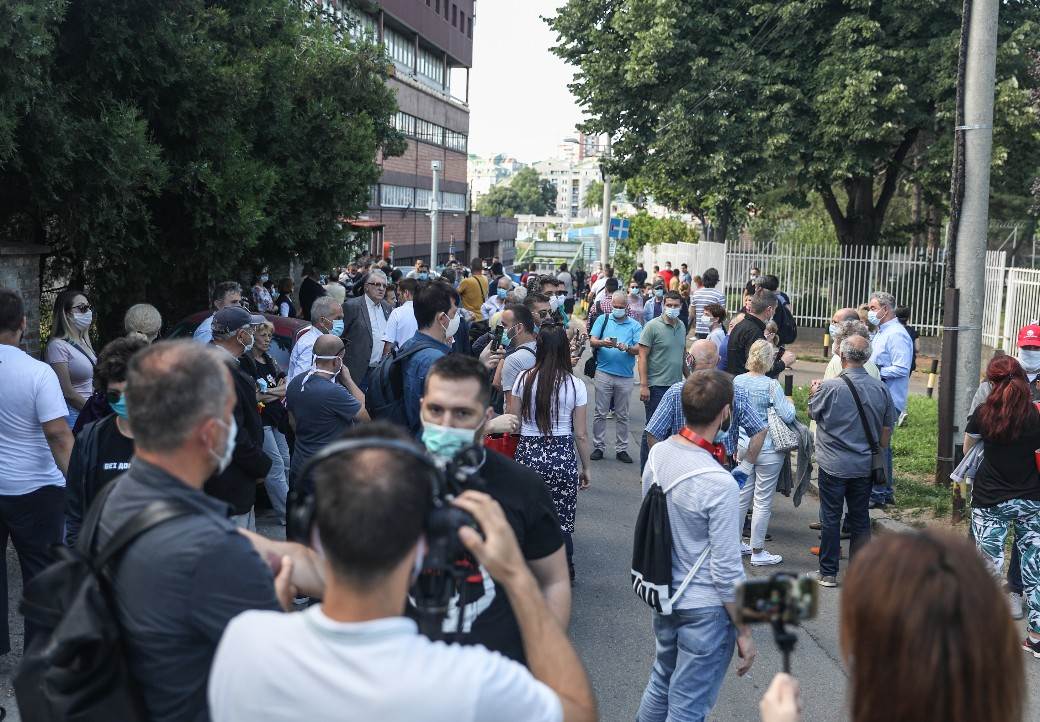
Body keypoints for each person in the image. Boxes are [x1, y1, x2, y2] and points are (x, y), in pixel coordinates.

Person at [208, 422, 596, 722]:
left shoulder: (245, 642)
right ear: (427, 545)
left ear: (312, 531)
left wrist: (277, 625)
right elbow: (578, 712)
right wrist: (518, 578)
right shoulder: (472, 683)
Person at [93, 341, 322, 722]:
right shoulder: (207, 548)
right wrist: (279, 614)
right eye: (231, 415)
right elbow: (280, 677)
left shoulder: (129, 493)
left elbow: (254, 546)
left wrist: (344, 575)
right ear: (210, 432)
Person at [417, 355, 571, 662]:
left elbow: (553, 580)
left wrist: (545, 657)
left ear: (486, 417)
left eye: (462, 413)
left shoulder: (522, 486)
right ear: (421, 407)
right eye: (436, 410)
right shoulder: (390, 478)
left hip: (494, 667)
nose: (446, 425)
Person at [638, 370, 756, 722]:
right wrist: (744, 630)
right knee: (688, 706)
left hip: (665, 594)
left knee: (661, 679)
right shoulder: (719, 482)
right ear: (724, 412)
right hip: (705, 608)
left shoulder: (658, 455)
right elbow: (726, 569)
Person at [0, 288, 73, 656]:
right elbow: (58, 434)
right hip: (37, 489)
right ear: (24, 324)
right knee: (41, 574)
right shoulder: (37, 372)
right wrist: (79, 482)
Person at [963, 355, 1040, 653]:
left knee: (988, 565)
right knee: (1034, 567)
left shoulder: (983, 414)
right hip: (1032, 499)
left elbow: (969, 450)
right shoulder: (1035, 415)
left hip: (990, 499)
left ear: (991, 382)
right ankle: (1036, 636)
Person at [808, 335, 895, 587]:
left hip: (833, 464)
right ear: (867, 358)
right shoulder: (881, 389)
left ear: (842, 356)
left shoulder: (829, 388)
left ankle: (828, 572)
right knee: (860, 519)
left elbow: (813, 413)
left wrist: (813, 393)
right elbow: (886, 434)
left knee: (831, 517)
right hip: (864, 465)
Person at [509, 324, 592, 581]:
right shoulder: (576, 385)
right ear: (565, 350)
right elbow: (581, 434)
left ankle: (527, 568)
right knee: (561, 518)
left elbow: (513, 423)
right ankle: (565, 568)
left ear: (539, 348)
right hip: (562, 456)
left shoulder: (523, 379)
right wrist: (586, 467)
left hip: (528, 455)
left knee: (528, 515)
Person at [64, 336, 147, 546]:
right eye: (114, 395)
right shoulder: (90, 439)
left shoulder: (173, 437)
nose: (123, 401)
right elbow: (75, 512)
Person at [646, 339, 767, 479]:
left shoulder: (676, 391)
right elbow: (760, 430)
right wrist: (745, 468)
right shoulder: (736, 393)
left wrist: (661, 468)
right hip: (721, 468)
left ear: (689, 359)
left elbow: (653, 432)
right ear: (718, 360)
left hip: (682, 466)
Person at [204, 306, 272, 530]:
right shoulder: (218, 371)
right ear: (241, 335)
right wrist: (260, 464)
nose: (254, 335)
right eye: (251, 330)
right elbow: (231, 433)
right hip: (227, 484)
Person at [733, 340, 795, 566]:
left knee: (742, 497)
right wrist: (790, 402)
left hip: (743, 445)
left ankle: (735, 543)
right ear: (770, 359)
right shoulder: (772, 385)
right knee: (763, 500)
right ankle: (757, 551)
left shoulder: (737, 381)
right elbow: (787, 415)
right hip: (768, 448)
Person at [285, 334, 366, 490]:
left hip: (300, 468)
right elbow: (367, 415)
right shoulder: (334, 392)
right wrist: (348, 380)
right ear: (337, 361)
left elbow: (292, 423)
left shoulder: (296, 383)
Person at [866, 291, 913, 508]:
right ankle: (884, 491)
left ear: (885, 309)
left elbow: (902, 367)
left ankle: (878, 493)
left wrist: (875, 372)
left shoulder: (896, 334)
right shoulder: (882, 332)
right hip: (880, 397)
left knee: (880, 445)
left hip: (889, 399)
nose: (870, 312)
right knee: (881, 445)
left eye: (873, 308)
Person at [400, 281, 460, 436]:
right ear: (442, 318)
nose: (457, 318)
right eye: (454, 314)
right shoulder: (436, 361)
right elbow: (447, 425)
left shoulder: (408, 345)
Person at [638, 291, 688, 471]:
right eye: (669, 305)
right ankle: (646, 471)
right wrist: (644, 385)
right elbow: (642, 357)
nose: (672, 308)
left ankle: (663, 470)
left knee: (671, 430)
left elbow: (682, 356)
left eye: (676, 305)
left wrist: (691, 380)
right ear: (663, 305)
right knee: (653, 429)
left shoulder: (681, 326)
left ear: (681, 306)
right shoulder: (652, 326)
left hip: (676, 387)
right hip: (656, 387)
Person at [589, 291, 641, 464]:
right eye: (615, 306)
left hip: (625, 376)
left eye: (621, 307)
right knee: (600, 412)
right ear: (611, 305)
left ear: (627, 307)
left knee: (623, 415)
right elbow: (592, 340)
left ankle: (622, 449)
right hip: (603, 372)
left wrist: (627, 348)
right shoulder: (603, 319)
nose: (618, 309)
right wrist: (603, 343)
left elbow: (639, 349)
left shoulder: (634, 325)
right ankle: (598, 446)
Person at [249, 321, 290, 526]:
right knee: (276, 465)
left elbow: (286, 387)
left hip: (276, 418)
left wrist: (268, 392)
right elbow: (255, 396)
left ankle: (289, 505)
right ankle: (288, 515)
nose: (267, 340)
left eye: (269, 336)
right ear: (252, 336)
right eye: (263, 335)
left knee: (286, 462)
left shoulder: (270, 360)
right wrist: (273, 393)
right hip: (261, 420)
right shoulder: (247, 362)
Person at [45, 288, 97, 428]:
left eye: (88, 307)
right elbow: (67, 392)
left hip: (88, 413)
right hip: (74, 416)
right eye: (82, 308)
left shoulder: (83, 342)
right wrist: (94, 411)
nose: (88, 312)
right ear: (67, 313)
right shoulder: (57, 346)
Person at [726, 289, 796, 378]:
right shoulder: (754, 332)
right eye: (775, 309)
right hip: (747, 383)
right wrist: (784, 362)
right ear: (769, 310)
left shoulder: (741, 325)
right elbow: (760, 370)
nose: (774, 313)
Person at [340, 268, 391, 388]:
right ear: (366, 286)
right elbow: (339, 338)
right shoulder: (351, 306)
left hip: (379, 371)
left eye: (384, 285)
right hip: (357, 372)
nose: (381, 288)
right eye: (377, 284)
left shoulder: (387, 307)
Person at [286, 295, 344, 382]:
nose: (341, 322)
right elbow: (300, 382)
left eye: (342, 318)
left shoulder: (321, 341)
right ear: (322, 321)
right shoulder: (312, 345)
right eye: (338, 318)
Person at [496, 304, 539, 404]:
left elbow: (510, 406)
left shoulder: (513, 360)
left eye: (504, 325)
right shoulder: (541, 348)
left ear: (519, 328)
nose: (502, 330)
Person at [382, 277, 419, 355]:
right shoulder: (428, 311)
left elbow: (388, 345)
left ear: (406, 293)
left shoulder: (397, 313)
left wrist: (384, 360)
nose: (397, 299)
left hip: (401, 358)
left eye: (398, 294)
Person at [691, 268, 725, 340]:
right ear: (716, 280)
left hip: (699, 330)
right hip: (714, 329)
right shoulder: (719, 295)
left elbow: (692, 313)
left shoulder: (696, 293)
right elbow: (722, 315)